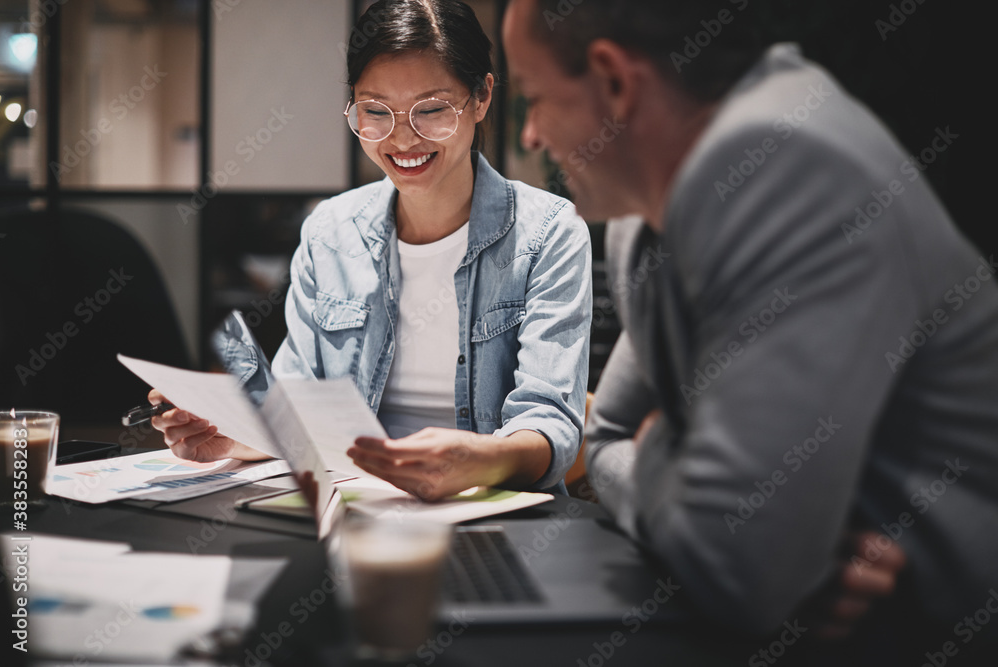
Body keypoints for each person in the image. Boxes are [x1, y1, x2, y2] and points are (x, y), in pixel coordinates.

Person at [502, 0, 998, 661]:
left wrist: (682, 471)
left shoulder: (786, 164)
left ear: (615, 81)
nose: (531, 134)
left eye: (533, 96)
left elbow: (738, 565)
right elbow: (609, 435)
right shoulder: (642, 212)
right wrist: (698, 481)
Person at [151, 0, 592, 501]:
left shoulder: (548, 232)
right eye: (375, 111)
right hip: (357, 508)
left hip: (492, 518)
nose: (402, 138)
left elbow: (550, 425)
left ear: (481, 97)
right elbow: (299, 402)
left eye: (430, 110)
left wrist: (475, 461)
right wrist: (238, 434)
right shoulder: (331, 231)